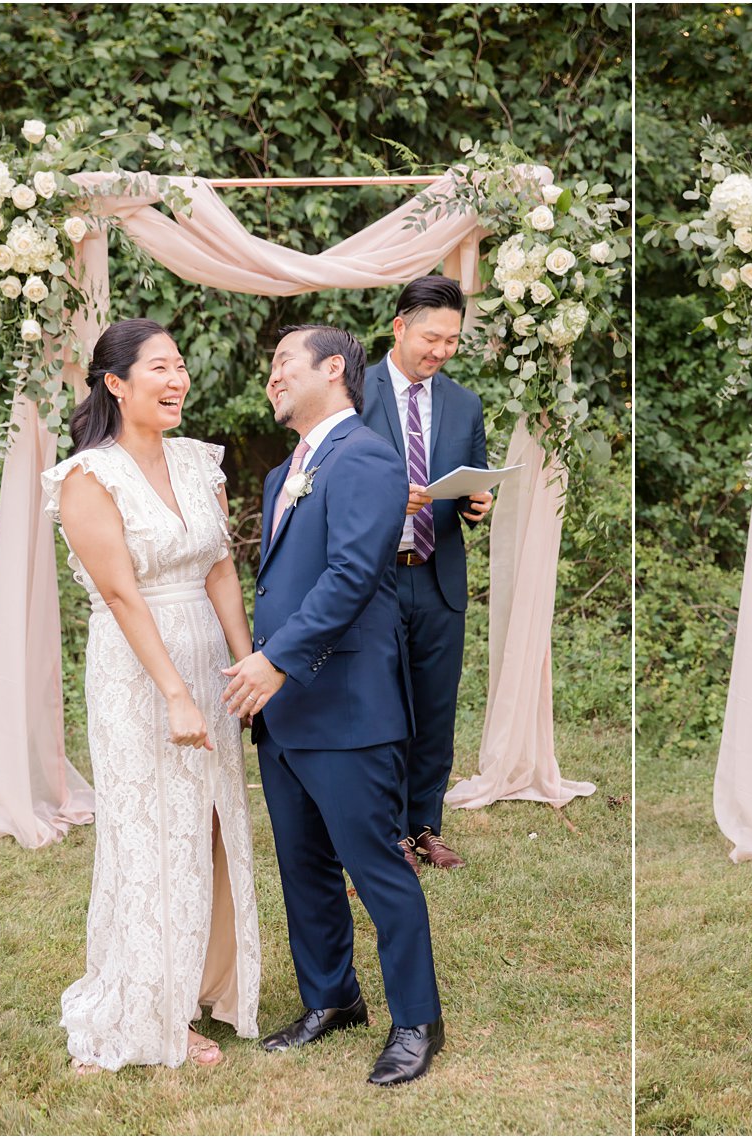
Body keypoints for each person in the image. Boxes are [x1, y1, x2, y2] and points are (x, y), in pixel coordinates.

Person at [221, 324, 443, 1086]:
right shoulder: (284, 471)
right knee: (303, 864)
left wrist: (276, 660)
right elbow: (281, 583)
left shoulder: (369, 459)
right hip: (284, 709)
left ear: (335, 369)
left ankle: (417, 1019)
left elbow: (351, 576)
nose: (273, 375)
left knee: (376, 864)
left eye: (284, 361)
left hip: (346, 702)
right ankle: (332, 997)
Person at [41, 318, 261, 1073]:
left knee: (205, 825)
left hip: (207, 657)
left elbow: (220, 569)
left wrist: (246, 665)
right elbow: (121, 594)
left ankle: (196, 983)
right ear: (116, 382)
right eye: (159, 368)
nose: (177, 381)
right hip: (140, 672)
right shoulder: (86, 478)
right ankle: (147, 1010)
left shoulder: (201, 462)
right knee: (147, 831)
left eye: (180, 366)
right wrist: (174, 693)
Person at [359, 276, 492, 872]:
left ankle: (424, 828)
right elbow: (331, 482)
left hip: (439, 576)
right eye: (431, 338)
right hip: (373, 579)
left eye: (452, 341)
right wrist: (390, 499)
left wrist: (479, 504)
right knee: (382, 709)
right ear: (399, 328)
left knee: (435, 711)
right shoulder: (351, 393)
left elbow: (475, 479)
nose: (440, 351)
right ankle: (382, 834)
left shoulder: (465, 405)